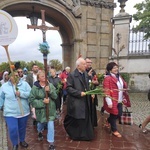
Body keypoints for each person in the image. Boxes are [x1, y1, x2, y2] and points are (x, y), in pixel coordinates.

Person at [64, 57, 94, 141]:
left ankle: (85, 135)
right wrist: (79, 93)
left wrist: (91, 93)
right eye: (84, 64)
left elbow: (87, 85)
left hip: (85, 101)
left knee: (85, 118)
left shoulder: (85, 74)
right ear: (78, 66)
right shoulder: (72, 75)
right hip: (76, 101)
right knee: (77, 119)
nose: (86, 65)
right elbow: (69, 89)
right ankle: (76, 135)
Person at [0, 71, 31, 150]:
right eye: (13, 76)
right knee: (13, 128)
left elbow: (30, 94)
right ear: (9, 77)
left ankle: (22, 140)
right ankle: (14, 143)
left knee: (22, 127)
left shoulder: (25, 84)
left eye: (17, 75)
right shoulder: (4, 86)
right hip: (10, 112)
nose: (15, 77)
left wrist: (21, 93)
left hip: (23, 111)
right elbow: (1, 97)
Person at [29, 71, 57, 150]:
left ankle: (51, 143)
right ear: (38, 78)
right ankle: (39, 131)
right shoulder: (35, 88)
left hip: (50, 110)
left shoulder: (50, 85)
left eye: (45, 76)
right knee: (41, 124)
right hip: (41, 111)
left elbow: (55, 97)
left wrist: (50, 91)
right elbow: (31, 100)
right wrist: (42, 102)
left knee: (51, 125)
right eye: (42, 76)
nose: (44, 77)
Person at [103, 62, 131, 138]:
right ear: (110, 70)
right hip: (113, 99)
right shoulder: (107, 78)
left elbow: (122, 86)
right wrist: (109, 101)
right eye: (114, 68)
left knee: (119, 114)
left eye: (116, 67)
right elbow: (106, 90)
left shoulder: (119, 77)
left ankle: (108, 120)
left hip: (120, 99)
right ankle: (114, 130)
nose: (116, 69)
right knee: (114, 114)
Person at [85, 58, 99, 127]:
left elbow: (97, 81)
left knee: (93, 108)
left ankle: (92, 123)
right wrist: (87, 76)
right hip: (86, 93)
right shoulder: (83, 71)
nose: (89, 63)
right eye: (88, 62)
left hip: (93, 93)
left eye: (90, 62)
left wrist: (96, 82)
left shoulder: (93, 71)